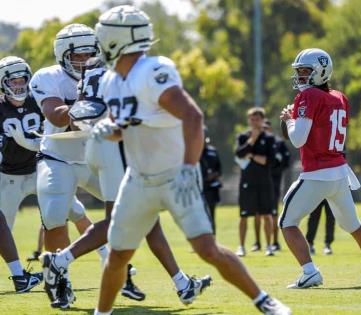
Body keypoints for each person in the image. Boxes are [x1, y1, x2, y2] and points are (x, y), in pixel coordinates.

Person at [92, 5, 291, 315]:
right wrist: (109, 129)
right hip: (138, 180)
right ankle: (101, 314)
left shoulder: (152, 71)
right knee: (117, 255)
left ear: (116, 38)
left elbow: (193, 116)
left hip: (175, 176)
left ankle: (264, 300)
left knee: (206, 249)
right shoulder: (111, 81)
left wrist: (188, 167)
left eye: (103, 34)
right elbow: (128, 128)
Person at [40, 54, 211, 308]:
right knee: (115, 221)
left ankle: (182, 284)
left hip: (101, 144)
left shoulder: (93, 71)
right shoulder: (122, 70)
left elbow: (84, 110)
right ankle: (60, 261)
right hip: (116, 147)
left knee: (150, 220)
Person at [29, 24, 145, 308]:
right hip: (59, 157)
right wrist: (86, 104)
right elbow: (56, 116)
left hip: (96, 155)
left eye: (89, 55)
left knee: (125, 210)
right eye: (77, 56)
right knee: (55, 216)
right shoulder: (48, 77)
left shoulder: (109, 75)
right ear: (62, 55)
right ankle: (60, 279)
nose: (83, 62)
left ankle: (118, 269)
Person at [279, 48, 361, 289]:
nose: (300, 76)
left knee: (287, 222)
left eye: (305, 71)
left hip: (317, 173)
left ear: (321, 71)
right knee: (354, 226)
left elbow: (298, 139)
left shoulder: (309, 96)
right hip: (340, 172)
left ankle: (309, 272)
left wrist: (289, 119)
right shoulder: (340, 97)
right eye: (298, 71)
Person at [0, 56, 94, 293]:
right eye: (14, 81)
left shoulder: (37, 100)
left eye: (23, 80)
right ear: (3, 83)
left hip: (39, 169)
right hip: (8, 177)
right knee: (3, 228)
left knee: (75, 211)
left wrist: (25, 141)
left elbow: (49, 137)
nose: (20, 85)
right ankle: (20, 276)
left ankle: (111, 260)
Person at [235, 108, 276, 257]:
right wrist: (252, 140)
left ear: (262, 120)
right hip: (247, 181)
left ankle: (269, 246)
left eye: (257, 119)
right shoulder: (242, 137)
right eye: (252, 119)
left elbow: (269, 160)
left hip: (264, 181)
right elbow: (239, 153)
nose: (254, 122)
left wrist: (251, 155)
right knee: (244, 215)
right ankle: (241, 246)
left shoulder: (269, 138)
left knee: (266, 215)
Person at [258, 119, 290, 252]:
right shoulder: (257, 142)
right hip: (259, 182)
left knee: (273, 213)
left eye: (266, 127)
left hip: (274, 182)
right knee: (259, 213)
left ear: (270, 129)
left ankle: (276, 241)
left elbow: (285, 162)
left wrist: (274, 171)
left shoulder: (279, 143)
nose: (264, 130)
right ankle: (258, 242)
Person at [199, 128, 222, 233]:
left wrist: (214, 175)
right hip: (198, 188)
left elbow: (219, 169)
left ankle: (213, 239)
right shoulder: (192, 151)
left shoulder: (213, 151)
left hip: (211, 188)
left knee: (211, 214)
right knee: (198, 215)